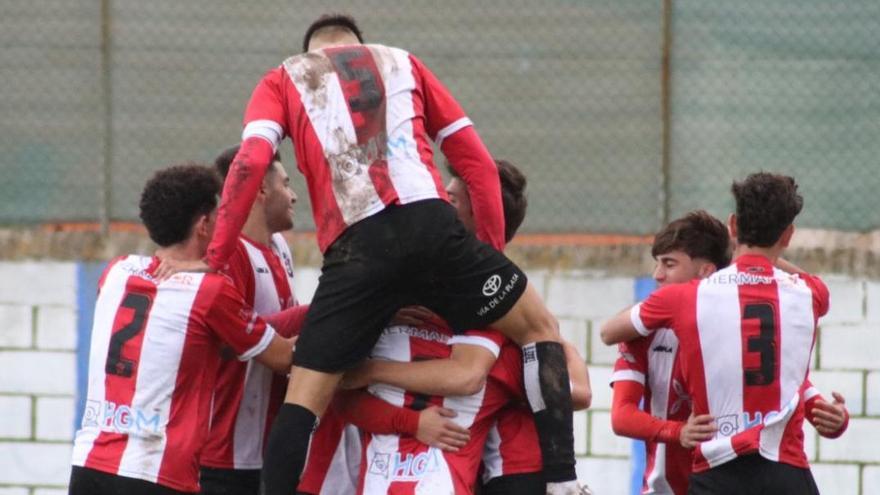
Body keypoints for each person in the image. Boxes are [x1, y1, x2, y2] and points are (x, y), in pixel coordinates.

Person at [157, 14, 578, 494]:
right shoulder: (404, 62)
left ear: (311, 50)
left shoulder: (284, 76)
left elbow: (251, 160)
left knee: (303, 401)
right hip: (432, 228)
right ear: (359, 44)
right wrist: (489, 259)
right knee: (540, 328)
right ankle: (563, 480)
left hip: (357, 247)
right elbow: (476, 163)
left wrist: (213, 256)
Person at [328, 159, 590, 494]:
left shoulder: (497, 308)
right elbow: (339, 394)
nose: (435, 206)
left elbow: (470, 377)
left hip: (500, 473)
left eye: (449, 199)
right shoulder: (396, 296)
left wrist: (371, 371)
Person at [68, 164, 296, 495]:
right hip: (158, 471)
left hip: (90, 464)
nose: (226, 225)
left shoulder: (115, 272)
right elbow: (283, 356)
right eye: (220, 216)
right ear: (204, 225)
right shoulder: (210, 292)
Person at [600, 172, 833, 494]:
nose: (657, 275)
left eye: (669, 264)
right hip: (764, 474)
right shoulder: (809, 294)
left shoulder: (687, 300)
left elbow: (607, 331)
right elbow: (621, 415)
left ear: (734, 226)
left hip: (716, 472)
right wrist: (675, 430)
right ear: (788, 235)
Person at [199, 146, 305, 495]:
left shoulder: (279, 247)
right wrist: (321, 310)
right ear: (260, 189)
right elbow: (230, 343)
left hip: (268, 446)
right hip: (225, 455)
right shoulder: (230, 253)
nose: (294, 196)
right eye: (286, 184)